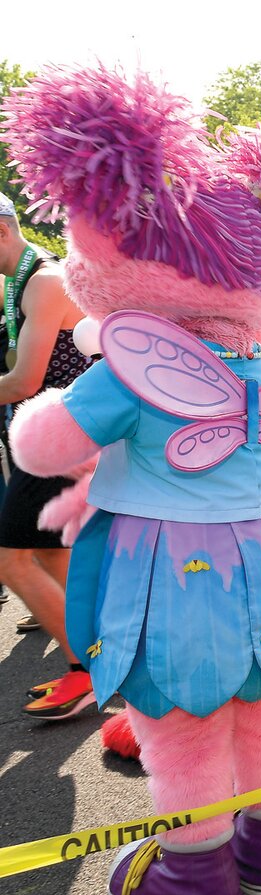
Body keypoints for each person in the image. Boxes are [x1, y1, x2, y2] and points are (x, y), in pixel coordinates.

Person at [0, 193, 94, 719]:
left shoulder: (43, 281)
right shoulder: (20, 282)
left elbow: (23, 382)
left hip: (58, 436)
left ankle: (87, 672)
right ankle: (101, 659)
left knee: (10, 561)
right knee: (53, 557)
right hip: (50, 435)